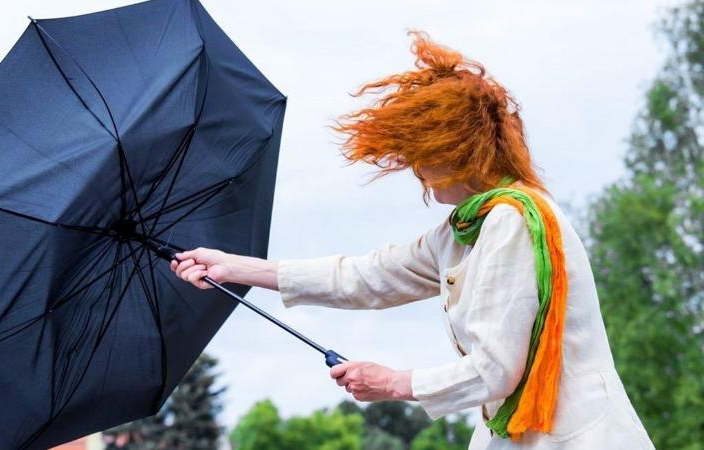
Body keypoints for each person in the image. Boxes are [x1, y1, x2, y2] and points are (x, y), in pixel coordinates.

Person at [169, 31, 654, 449]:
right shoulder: (467, 229)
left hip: (574, 438)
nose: (417, 170)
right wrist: (235, 267)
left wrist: (395, 383)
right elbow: (365, 277)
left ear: (459, 149)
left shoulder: (512, 220)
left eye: (423, 153)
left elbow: (495, 370)